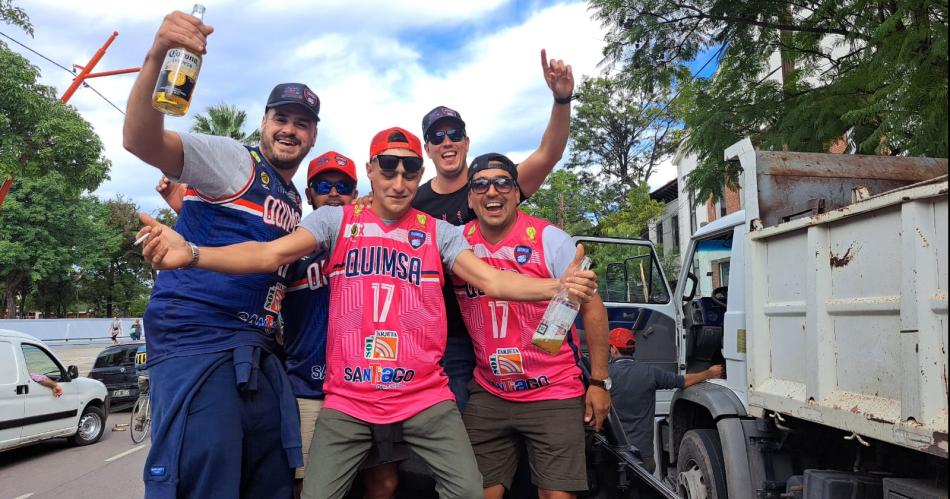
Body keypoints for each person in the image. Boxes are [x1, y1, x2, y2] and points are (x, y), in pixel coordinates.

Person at [136, 126, 598, 499]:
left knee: (468, 490)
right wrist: (194, 253)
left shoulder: (438, 231)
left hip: (423, 398)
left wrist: (558, 285)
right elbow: (266, 256)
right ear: (371, 171)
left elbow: (494, 281)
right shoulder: (336, 220)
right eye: (389, 169)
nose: (399, 182)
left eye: (410, 171)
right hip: (350, 400)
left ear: (420, 175)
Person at [122, 10, 319, 497]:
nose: (290, 130)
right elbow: (141, 140)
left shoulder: (293, 201)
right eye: (282, 119)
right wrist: (155, 58)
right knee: (203, 476)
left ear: (313, 135)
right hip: (199, 336)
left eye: (302, 123)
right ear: (264, 122)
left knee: (267, 478)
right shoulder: (235, 161)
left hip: (256, 349)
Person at [156, 152, 402, 499]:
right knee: (304, 485)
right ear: (309, 193)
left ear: (356, 190)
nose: (334, 193)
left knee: (382, 484)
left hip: (366, 387)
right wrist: (187, 211)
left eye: (343, 186)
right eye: (324, 185)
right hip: (308, 386)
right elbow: (252, 255)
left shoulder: (373, 237)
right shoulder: (293, 248)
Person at [413, 50, 575, 411]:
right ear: (428, 149)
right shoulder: (416, 203)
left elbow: (548, 153)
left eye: (454, 133)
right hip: (448, 336)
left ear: (466, 141)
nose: (447, 142)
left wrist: (561, 99)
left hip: (509, 333)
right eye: (436, 137)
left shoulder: (496, 185)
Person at [453, 153, 611, 499]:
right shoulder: (455, 244)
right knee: (474, 493)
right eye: (480, 184)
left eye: (503, 182)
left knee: (557, 496)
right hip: (490, 390)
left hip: (552, 389)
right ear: (469, 198)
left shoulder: (551, 239)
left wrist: (599, 381)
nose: (492, 192)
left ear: (517, 191)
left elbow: (593, 309)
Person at [607, 327, 725, 473]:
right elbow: (682, 381)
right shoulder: (650, 373)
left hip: (613, 454)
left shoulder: (605, 375)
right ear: (633, 349)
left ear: (613, 349)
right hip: (643, 457)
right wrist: (710, 373)